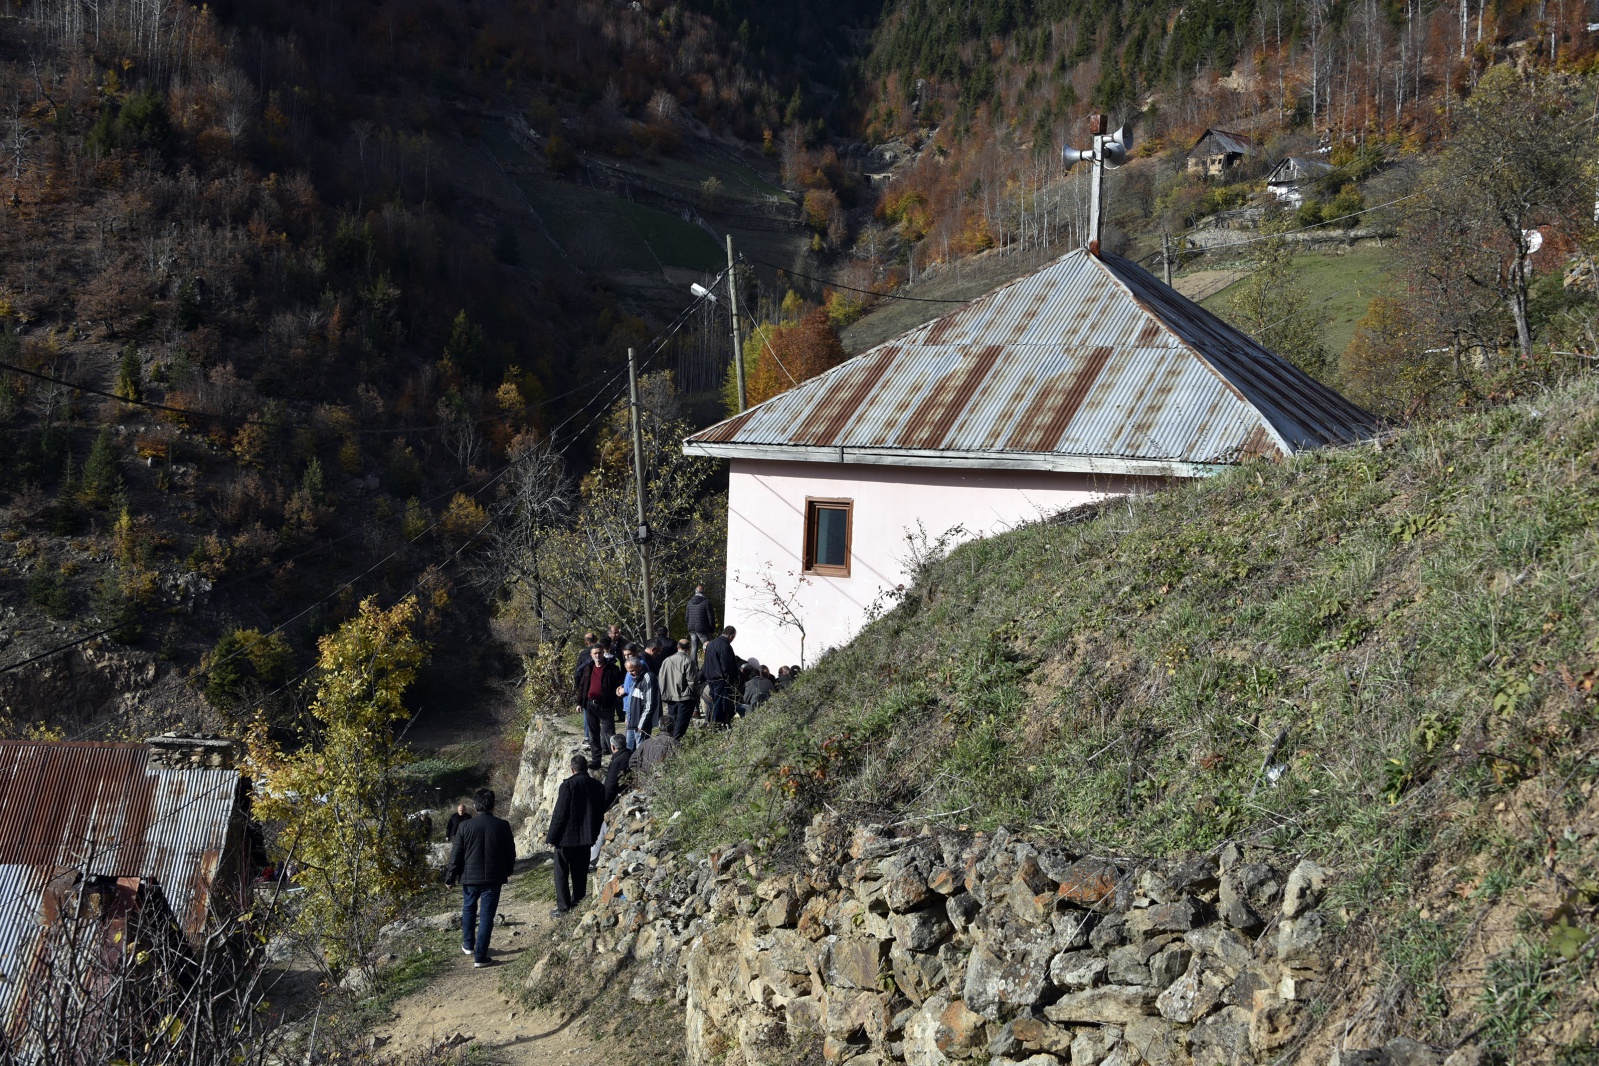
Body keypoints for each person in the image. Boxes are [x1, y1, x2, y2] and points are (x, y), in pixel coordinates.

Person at [445, 788, 516, 967]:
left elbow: (456, 854)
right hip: (493, 877)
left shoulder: (464, 826)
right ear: (492, 805)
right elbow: (510, 852)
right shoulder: (502, 825)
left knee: (468, 908)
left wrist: (450, 876)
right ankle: (480, 956)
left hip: (469, 877)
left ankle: (468, 945)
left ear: (475, 806)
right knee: (486, 916)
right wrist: (508, 870)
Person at [546, 755, 606, 917]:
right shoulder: (598, 786)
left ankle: (563, 907)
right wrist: (593, 834)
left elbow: (560, 814)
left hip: (565, 839)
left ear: (572, 769)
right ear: (586, 767)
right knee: (580, 872)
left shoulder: (568, 786)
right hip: (586, 838)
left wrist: (551, 837)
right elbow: (600, 814)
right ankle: (578, 903)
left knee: (561, 873)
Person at [574, 645, 622, 770]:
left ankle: (616, 760)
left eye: (599, 653)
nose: (597, 655)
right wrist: (579, 703)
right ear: (591, 655)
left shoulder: (612, 669)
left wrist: (615, 699)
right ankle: (596, 760)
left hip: (606, 706)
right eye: (595, 653)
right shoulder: (588, 668)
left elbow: (618, 686)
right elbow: (582, 687)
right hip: (590, 705)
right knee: (593, 734)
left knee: (609, 733)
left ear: (603, 653)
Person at [702, 626, 744, 727]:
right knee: (720, 705)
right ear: (731, 636)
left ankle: (714, 724)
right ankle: (716, 726)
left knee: (715, 703)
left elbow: (706, 662)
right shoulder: (725, 646)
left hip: (710, 678)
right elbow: (727, 665)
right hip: (721, 680)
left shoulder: (711, 644)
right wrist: (730, 679)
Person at [659, 637, 700, 740]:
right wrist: (695, 694)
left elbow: (661, 678)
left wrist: (664, 694)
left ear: (677, 647)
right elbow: (692, 681)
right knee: (681, 724)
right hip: (684, 697)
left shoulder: (667, 660)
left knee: (671, 723)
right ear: (689, 648)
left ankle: (667, 742)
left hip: (670, 697)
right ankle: (675, 744)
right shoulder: (689, 661)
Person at [619, 656, 660, 748]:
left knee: (640, 751)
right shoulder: (635, 679)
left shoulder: (647, 678)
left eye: (632, 670)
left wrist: (642, 724)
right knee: (629, 750)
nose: (631, 674)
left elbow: (650, 704)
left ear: (640, 667)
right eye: (628, 671)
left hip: (641, 725)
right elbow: (631, 701)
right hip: (631, 723)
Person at [602, 734, 633, 810]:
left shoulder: (617, 762)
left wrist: (604, 804)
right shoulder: (631, 754)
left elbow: (610, 786)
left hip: (618, 797)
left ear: (613, 747)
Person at [685, 585, 715, 661]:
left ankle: (694, 667)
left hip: (691, 628)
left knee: (694, 648)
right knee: (708, 647)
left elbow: (687, 617)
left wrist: (689, 626)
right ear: (703, 592)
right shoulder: (706, 602)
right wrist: (712, 629)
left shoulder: (689, 602)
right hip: (702, 629)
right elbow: (710, 617)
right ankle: (709, 665)